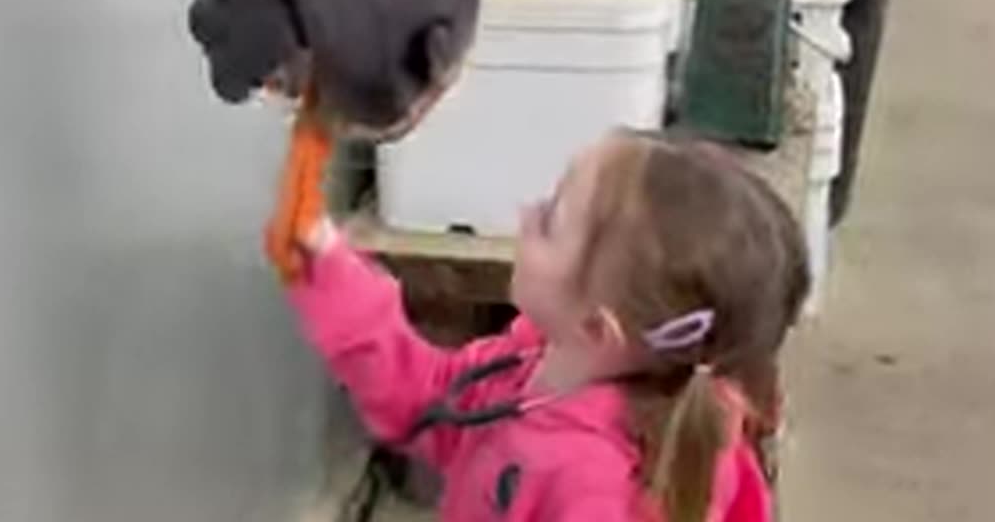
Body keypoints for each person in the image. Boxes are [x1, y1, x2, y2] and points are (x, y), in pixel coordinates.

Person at [265, 119, 810, 521]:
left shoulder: (589, 489)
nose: (526, 214)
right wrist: (326, 264)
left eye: (551, 220)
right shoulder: (533, 363)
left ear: (598, 329)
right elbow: (431, 401)